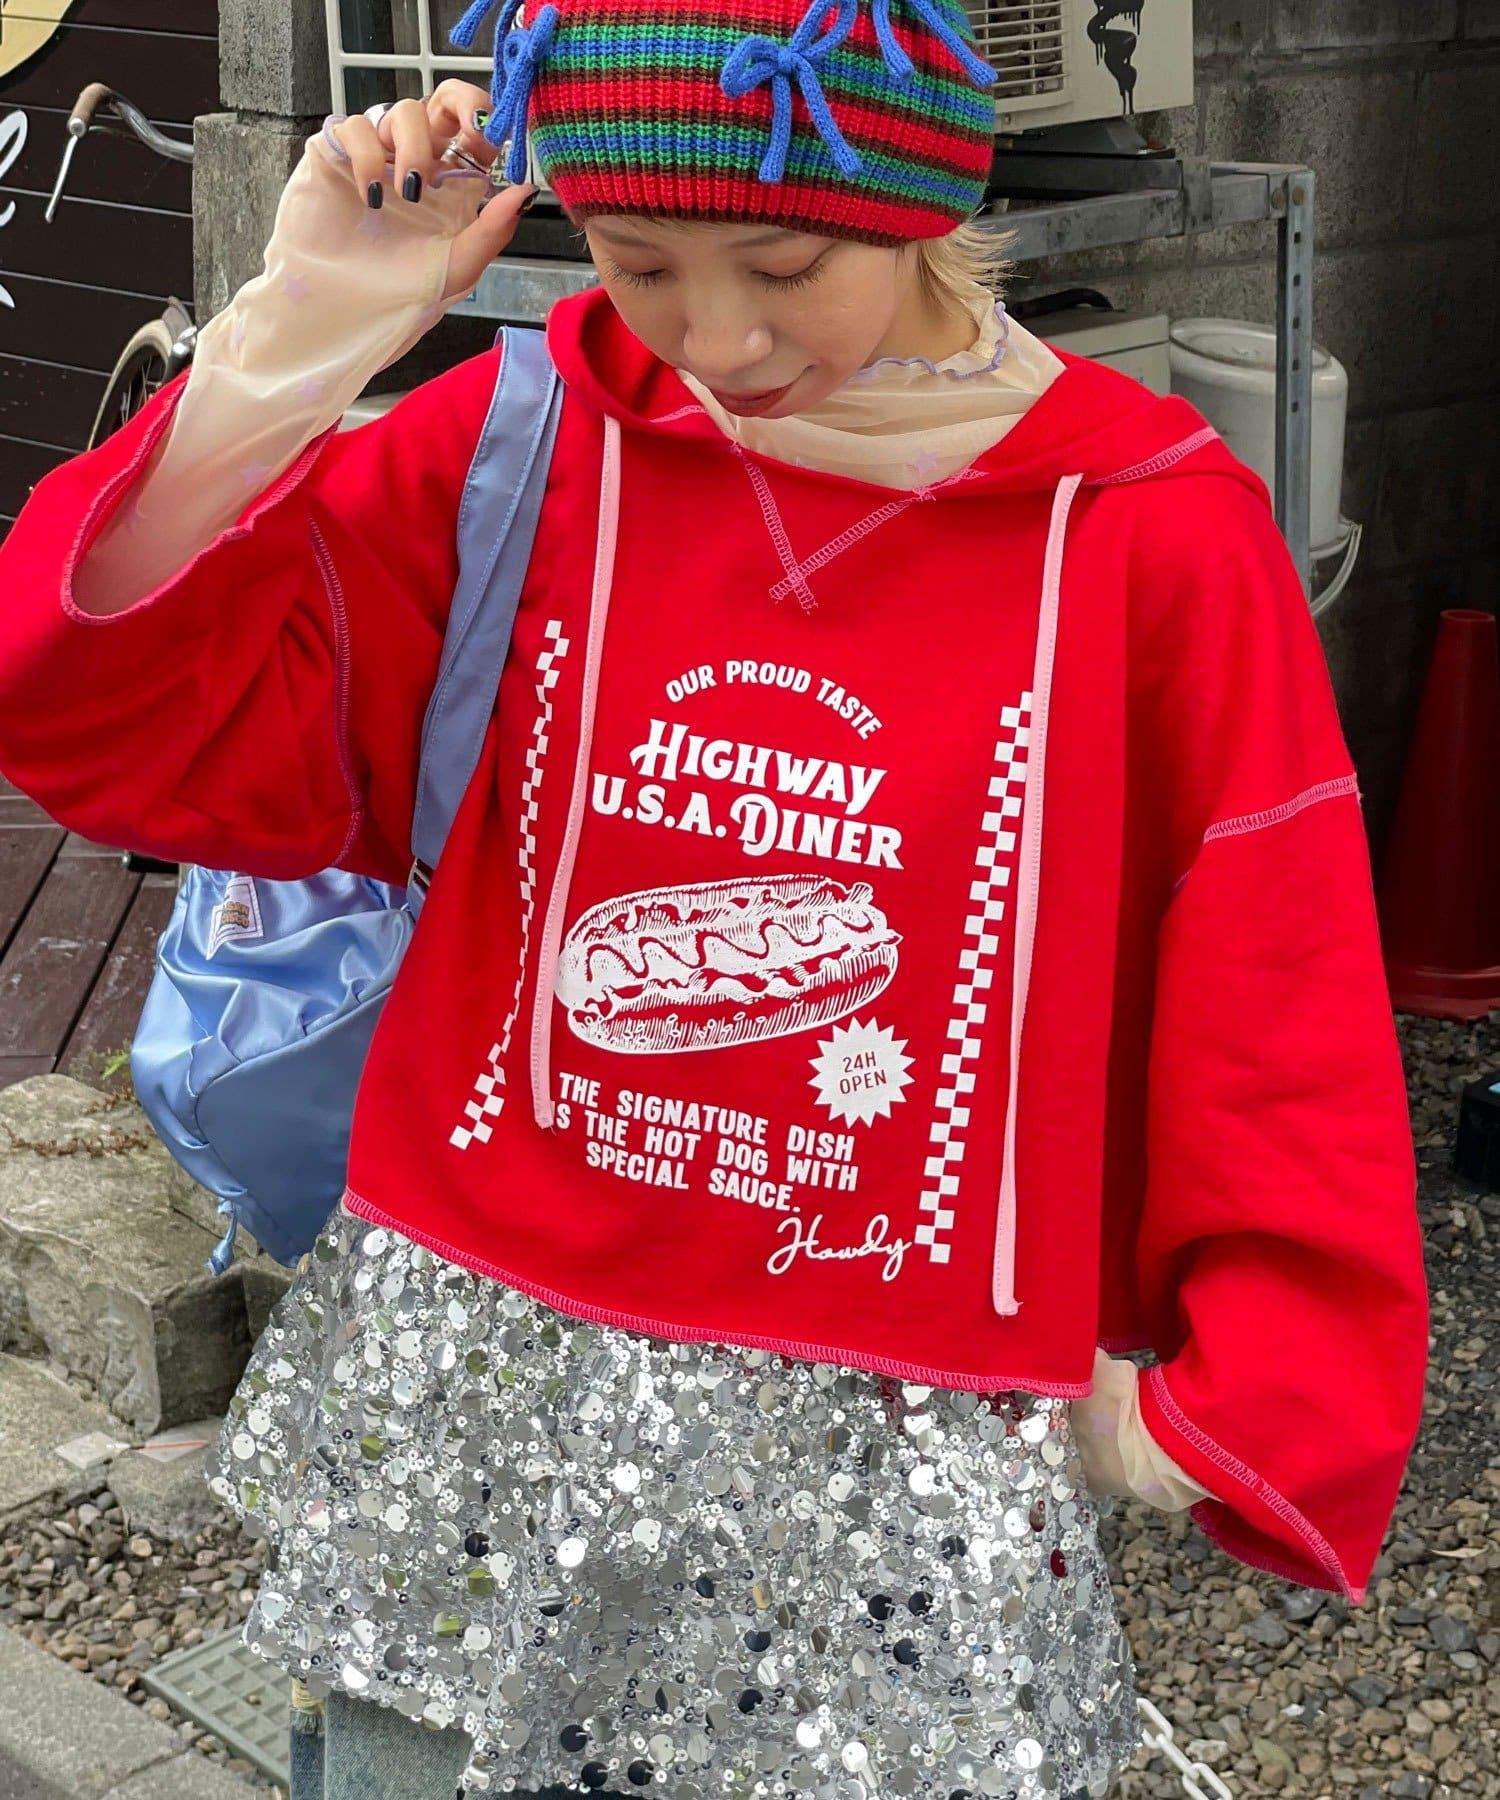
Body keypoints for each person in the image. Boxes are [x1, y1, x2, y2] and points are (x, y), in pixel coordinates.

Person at [0, 1, 1428, 1796]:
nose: (719, 338)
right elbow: (103, 702)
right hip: (472, 1403)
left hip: (894, 1455)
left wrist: (1249, 1390)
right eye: (636, 257)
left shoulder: (1144, 529)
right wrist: (301, 332)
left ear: (918, 200)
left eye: (785, 261)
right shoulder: (520, 446)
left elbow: (1269, 969)